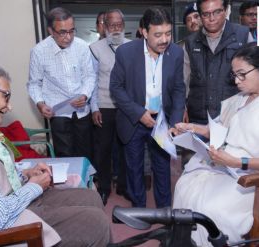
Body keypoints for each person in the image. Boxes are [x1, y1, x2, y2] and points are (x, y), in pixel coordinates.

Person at [0, 57, 110, 246]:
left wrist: (25, 175)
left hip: (14, 202)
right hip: (8, 223)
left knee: (91, 197)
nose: (9, 106)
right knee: (96, 223)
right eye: (6, 96)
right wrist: (35, 186)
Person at [172, 45, 259, 246]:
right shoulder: (243, 97)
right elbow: (220, 129)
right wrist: (192, 128)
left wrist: (237, 162)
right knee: (186, 187)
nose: (236, 81)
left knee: (211, 206)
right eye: (234, 75)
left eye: (242, 74)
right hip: (232, 169)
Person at [110, 6, 186, 208]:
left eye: (168, 33)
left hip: (162, 121)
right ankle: (139, 210)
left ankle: (164, 211)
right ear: (144, 32)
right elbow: (116, 88)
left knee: (162, 168)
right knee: (134, 168)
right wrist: (139, 112)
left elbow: (179, 88)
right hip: (133, 120)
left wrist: (176, 120)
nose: (164, 40)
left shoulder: (176, 53)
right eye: (158, 34)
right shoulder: (126, 52)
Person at [27, 7, 95, 161]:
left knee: (86, 154)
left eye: (72, 31)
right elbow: (34, 84)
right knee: (64, 156)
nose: (68, 37)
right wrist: (40, 103)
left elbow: (89, 76)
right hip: (58, 113)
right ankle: (68, 186)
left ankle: (86, 185)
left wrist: (84, 94)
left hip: (82, 111)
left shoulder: (82, 46)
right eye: (63, 32)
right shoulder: (39, 51)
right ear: (51, 30)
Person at [185, 0, 251, 125]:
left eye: (217, 12)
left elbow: (255, 78)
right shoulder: (191, 42)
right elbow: (184, 80)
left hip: (233, 119)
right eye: (206, 14)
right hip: (199, 119)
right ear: (200, 15)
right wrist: (182, 107)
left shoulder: (243, 36)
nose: (212, 18)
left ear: (226, 11)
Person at [89, 9, 131, 205]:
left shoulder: (133, 47)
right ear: (104, 27)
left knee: (126, 149)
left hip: (126, 107)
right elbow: (92, 80)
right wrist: (94, 108)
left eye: (119, 25)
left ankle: (124, 186)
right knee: (103, 150)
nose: (115, 29)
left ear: (124, 26)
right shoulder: (94, 49)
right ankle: (104, 188)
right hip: (104, 106)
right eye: (111, 25)